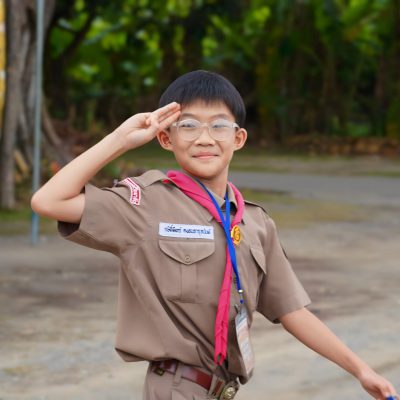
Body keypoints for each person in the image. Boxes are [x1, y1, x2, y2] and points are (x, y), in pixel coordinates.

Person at [31, 70, 397, 400]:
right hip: (175, 387)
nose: (204, 138)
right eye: (189, 125)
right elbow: (48, 201)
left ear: (238, 138)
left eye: (219, 126)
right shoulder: (144, 205)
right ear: (165, 138)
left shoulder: (253, 221)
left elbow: (291, 310)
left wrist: (361, 370)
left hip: (223, 389)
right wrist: (120, 140)